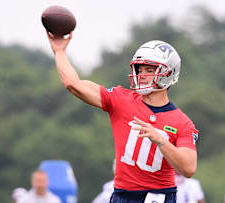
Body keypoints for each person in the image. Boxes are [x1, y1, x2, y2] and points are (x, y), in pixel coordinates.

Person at [46, 30, 199, 203]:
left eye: (149, 70)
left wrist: (161, 141)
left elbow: (188, 168)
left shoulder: (182, 122)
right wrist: (59, 51)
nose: (142, 75)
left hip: (158, 197)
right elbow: (74, 85)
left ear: (169, 73)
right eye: (140, 69)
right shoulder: (121, 99)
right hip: (122, 195)